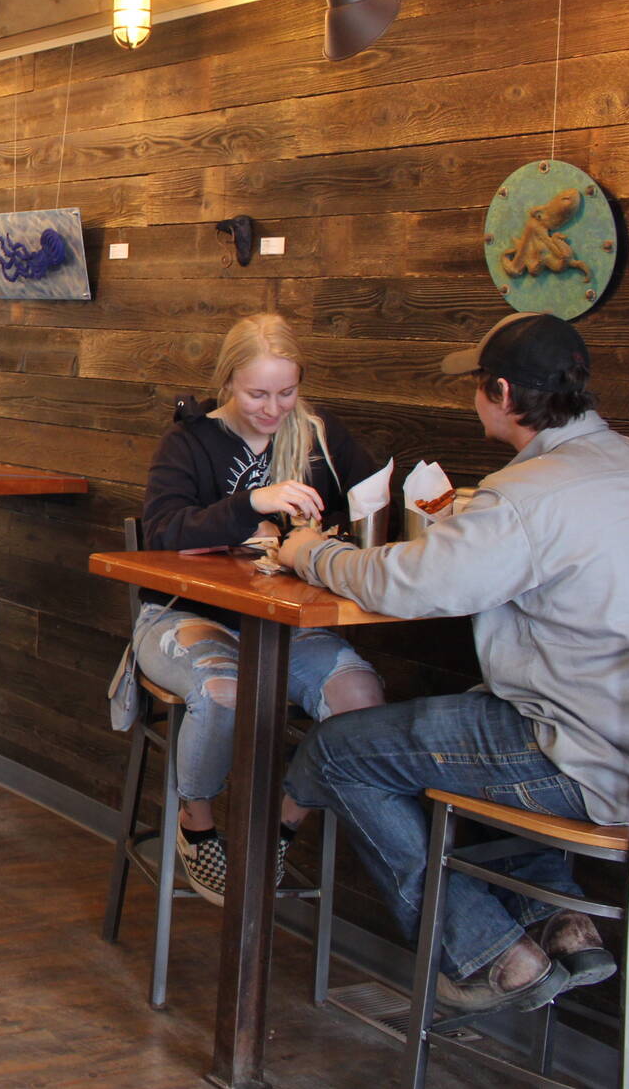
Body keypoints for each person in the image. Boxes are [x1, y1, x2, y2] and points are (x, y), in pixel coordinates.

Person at [279, 312, 629, 1015]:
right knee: (489, 713)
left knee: (339, 751)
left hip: (587, 764)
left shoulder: (529, 493)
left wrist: (311, 553)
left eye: (477, 386)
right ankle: (561, 924)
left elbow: (409, 584)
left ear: (503, 393)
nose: (473, 398)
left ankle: (485, 952)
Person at [127, 312, 387, 905]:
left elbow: (372, 498)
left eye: (287, 393)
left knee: (360, 698)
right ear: (228, 383)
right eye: (257, 394)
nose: (274, 409)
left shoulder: (319, 435)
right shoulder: (190, 442)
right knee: (226, 692)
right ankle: (198, 823)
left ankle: (283, 822)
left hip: (286, 621)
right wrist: (253, 502)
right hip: (184, 614)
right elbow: (162, 532)